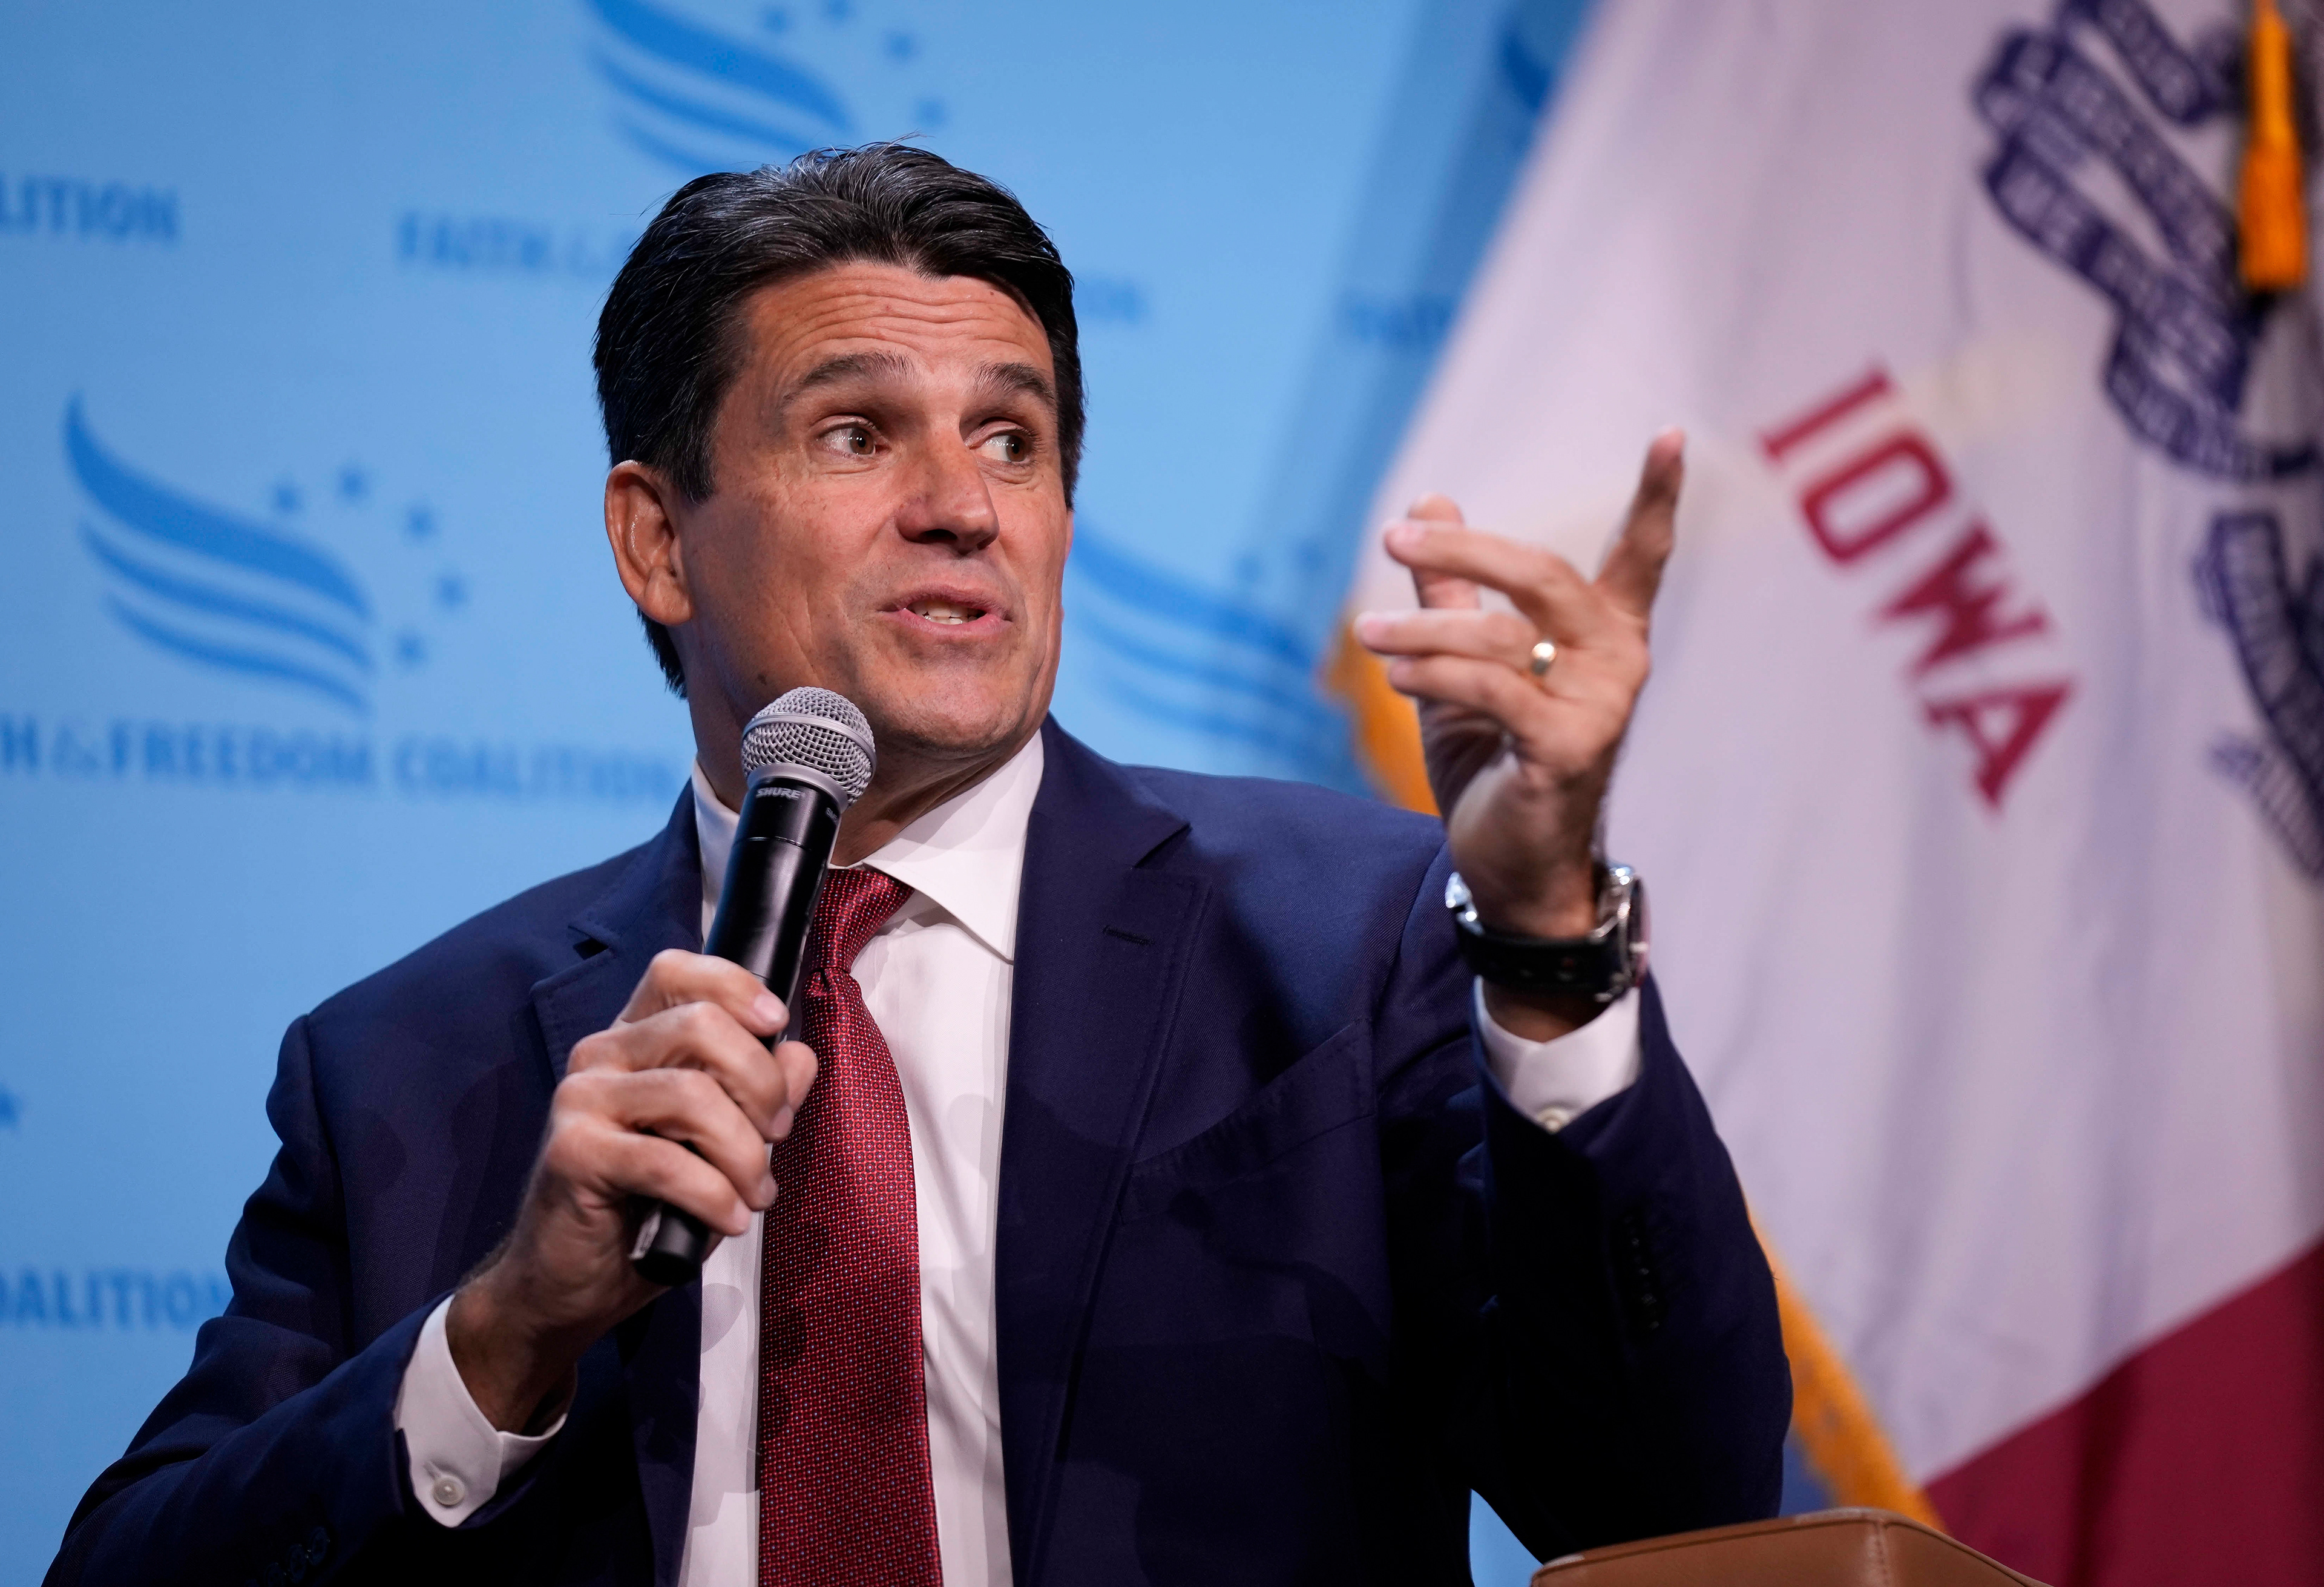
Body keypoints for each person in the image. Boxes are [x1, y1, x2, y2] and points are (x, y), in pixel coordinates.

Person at [46, 145, 1788, 1587]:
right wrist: (506, 1331)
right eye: (860, 434)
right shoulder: (410, 1066)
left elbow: (1668, 1503)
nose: (963, 504)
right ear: (658, 542)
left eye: (1013, 441)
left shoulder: (1348, 941)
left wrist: (1552, 937)